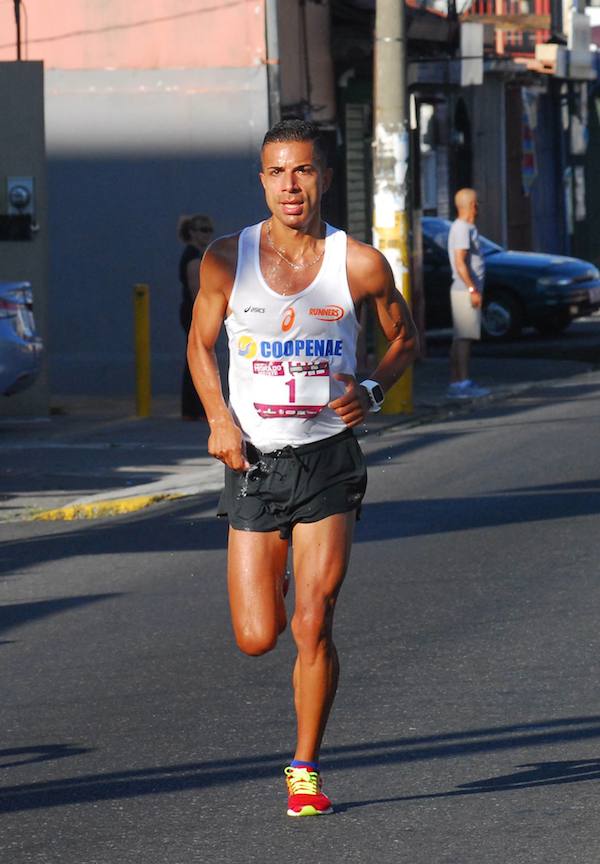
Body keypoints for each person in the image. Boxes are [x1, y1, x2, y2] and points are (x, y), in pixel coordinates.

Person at [187, 119, 418, 817]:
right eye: (277, 172)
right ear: (261, 180)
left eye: (304, 171)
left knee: (312, 623)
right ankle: (277, 556)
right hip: (255, 463)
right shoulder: (228, 259)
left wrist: (372, 390)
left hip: (327, 462)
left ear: (324, 176)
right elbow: (200, 350)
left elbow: (407, 338)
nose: (291, 185)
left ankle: (305, 767)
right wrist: (219, 419)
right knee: (258, 636)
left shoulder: (360, 264)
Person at [447, 188, 491, 399]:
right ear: (473, 205)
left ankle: (458, 382)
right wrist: (472, 288)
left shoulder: (464, 228)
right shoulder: (463, 229)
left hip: (464, 289)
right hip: (465, 290)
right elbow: (460, 262)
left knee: (461, 338)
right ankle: (462, 383)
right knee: (464, 338)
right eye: (477, 203)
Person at [177, 213, 214, 419]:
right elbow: (196, 292)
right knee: (199, 357)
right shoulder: (192, 258)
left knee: (198, 356)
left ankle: (193, 409)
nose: (207, 234)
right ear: (192, 232)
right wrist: (205, 317)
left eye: (209, 230)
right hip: (194, 314)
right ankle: (193, 409)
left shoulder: (197, 254)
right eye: (203, 230)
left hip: (193, 312)